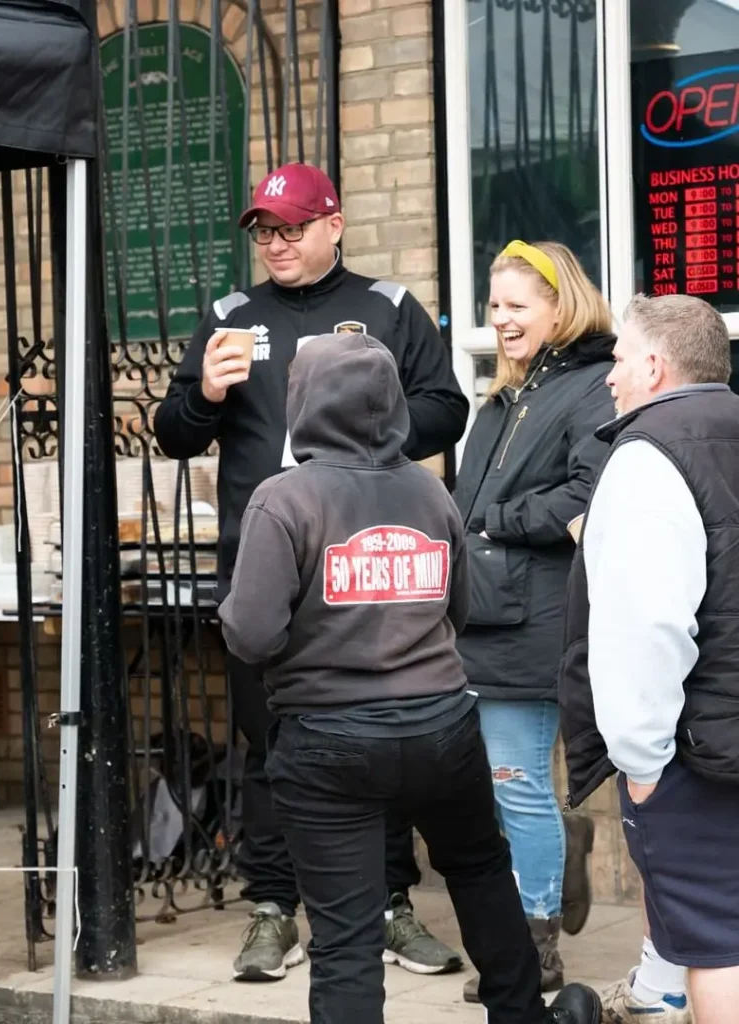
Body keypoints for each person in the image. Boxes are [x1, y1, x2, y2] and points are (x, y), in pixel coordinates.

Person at [219, 331, 602, 1024]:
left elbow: (251, 634)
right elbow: (458, 608)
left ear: (304, 401)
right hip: (442, 730)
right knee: (481, 873)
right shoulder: (430, 492)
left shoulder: (283, 499)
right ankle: (522, 1013)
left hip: (327, 737)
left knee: (346, 938)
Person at [154, 161, 469, 982]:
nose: (276, 243)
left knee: (378, 736)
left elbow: (448, 408)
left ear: (334, 225)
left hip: (368, 566)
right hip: (263, 567)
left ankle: (390, 906)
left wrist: (372, 425)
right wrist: (205, 395)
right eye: (264, 231)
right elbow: (174, 432)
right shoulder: (232, 316)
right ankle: (271, 908)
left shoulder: (388, 307)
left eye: (292, 228)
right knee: (267, 742)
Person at [559, 293, 739, 1024]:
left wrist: (642, 763)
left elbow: (647, 626)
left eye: (620, 358)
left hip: (698, 761)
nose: (609, 375)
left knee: (718, 950)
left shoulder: (647, 458)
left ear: (657, 365)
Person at [451, 240, 612, 1001]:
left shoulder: (591, 388)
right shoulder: (503, 395)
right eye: (495, 305)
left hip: (537, 622)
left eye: (517, 305)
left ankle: (536, 947)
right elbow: (465, 507)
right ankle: (558, 844)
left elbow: (591, 494)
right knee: (496, 788)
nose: (501, 319)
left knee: (515, 783)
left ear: (560, 306)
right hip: (478, 619)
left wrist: (499, 518)